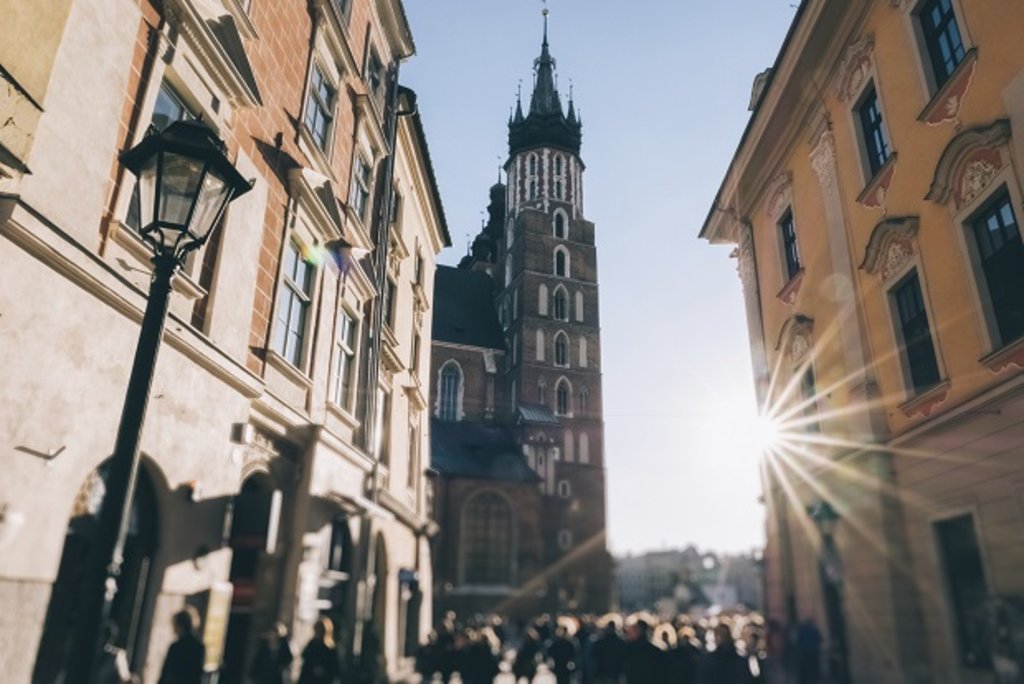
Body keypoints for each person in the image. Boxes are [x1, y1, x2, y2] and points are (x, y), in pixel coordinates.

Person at [159, 607, 205, 684]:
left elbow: (166, 673)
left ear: (181, 626)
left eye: (175, 625)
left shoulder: (176, 647)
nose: (173, 629)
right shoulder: (199, 647)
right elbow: (197, 675)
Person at [298, 617, 341, 684]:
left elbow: (334, 668)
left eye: (319, 630)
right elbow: (305, 657)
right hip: (309, 679)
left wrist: (323, 670)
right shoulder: (312, 644)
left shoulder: (329, 648)